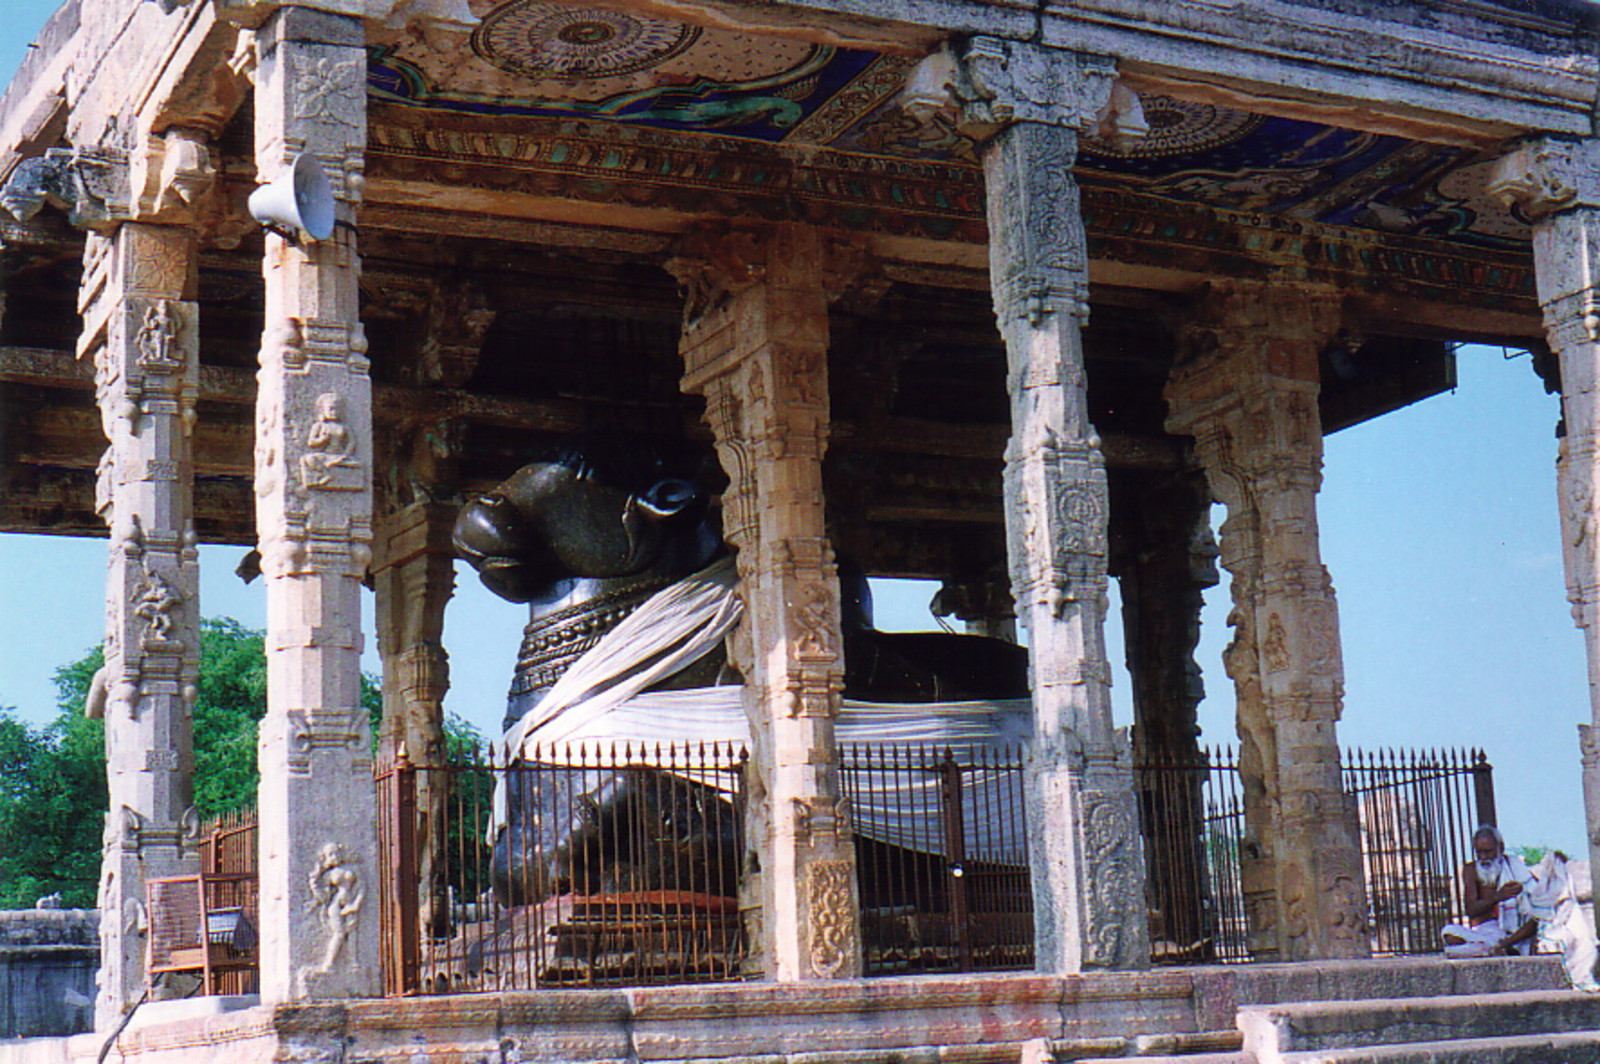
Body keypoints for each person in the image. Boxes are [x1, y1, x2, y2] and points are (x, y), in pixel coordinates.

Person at [1441, 824, 1599, 991]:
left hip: (1515, 933)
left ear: (1500, 848)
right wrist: (1498, 897)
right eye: (1479, 852)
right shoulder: (1471, 870)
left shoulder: (1515, 867)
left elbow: (1537, 910)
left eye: (1488, 851)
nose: (1484, 857)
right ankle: (1495, 948)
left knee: (1542, 921)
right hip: (1485, 932)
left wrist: (1509, 940)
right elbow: (1471, 910)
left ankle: (1503, 947)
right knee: (1449, 932)